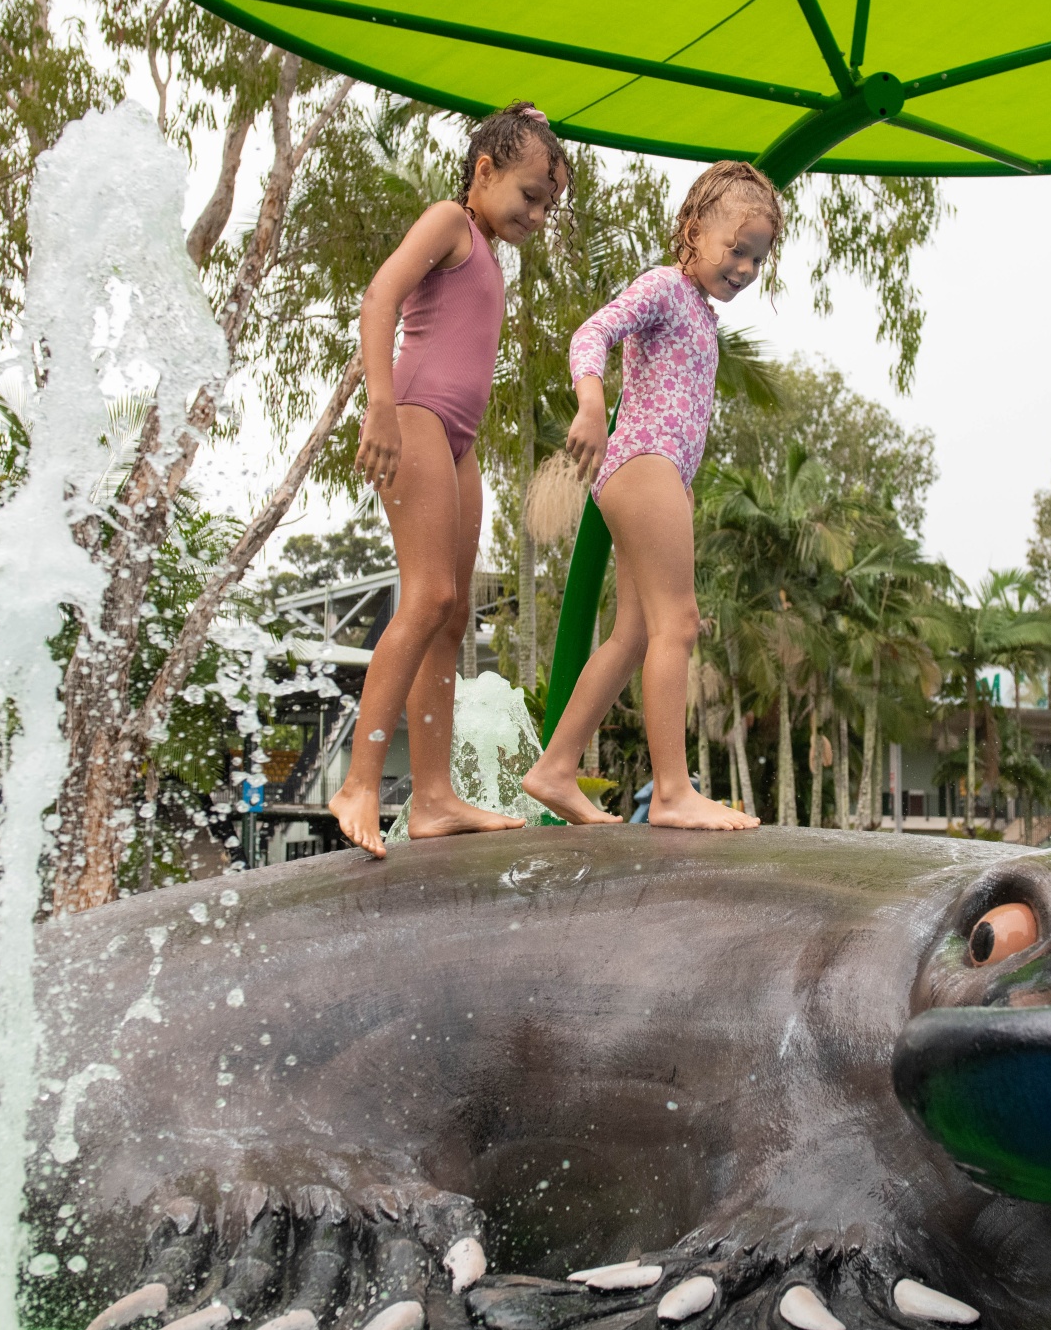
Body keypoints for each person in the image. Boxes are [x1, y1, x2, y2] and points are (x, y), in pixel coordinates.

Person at [328, 104, 568, 857]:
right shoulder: (448, 222)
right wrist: (379, 405)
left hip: (457, 440)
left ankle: (432, 798)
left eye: (549, 205)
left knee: (454, 613)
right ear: (484, 171)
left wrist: (533, 118)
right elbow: (379, 298)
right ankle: (360, 781)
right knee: (427, 593)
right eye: (529, 195)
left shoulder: (488, 252)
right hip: (416, 413)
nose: (537, 214)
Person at [522, 162, 774, 831]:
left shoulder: (699, 313)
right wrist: (590, 403)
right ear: (694, 230)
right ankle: (670, 791)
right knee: (678, 623)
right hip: (644, 464)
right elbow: (590, 333)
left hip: (662, 477)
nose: (746, 268)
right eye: (737, 249)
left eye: (758, 258)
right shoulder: (665, 286)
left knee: (634, 634)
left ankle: (555, 766)